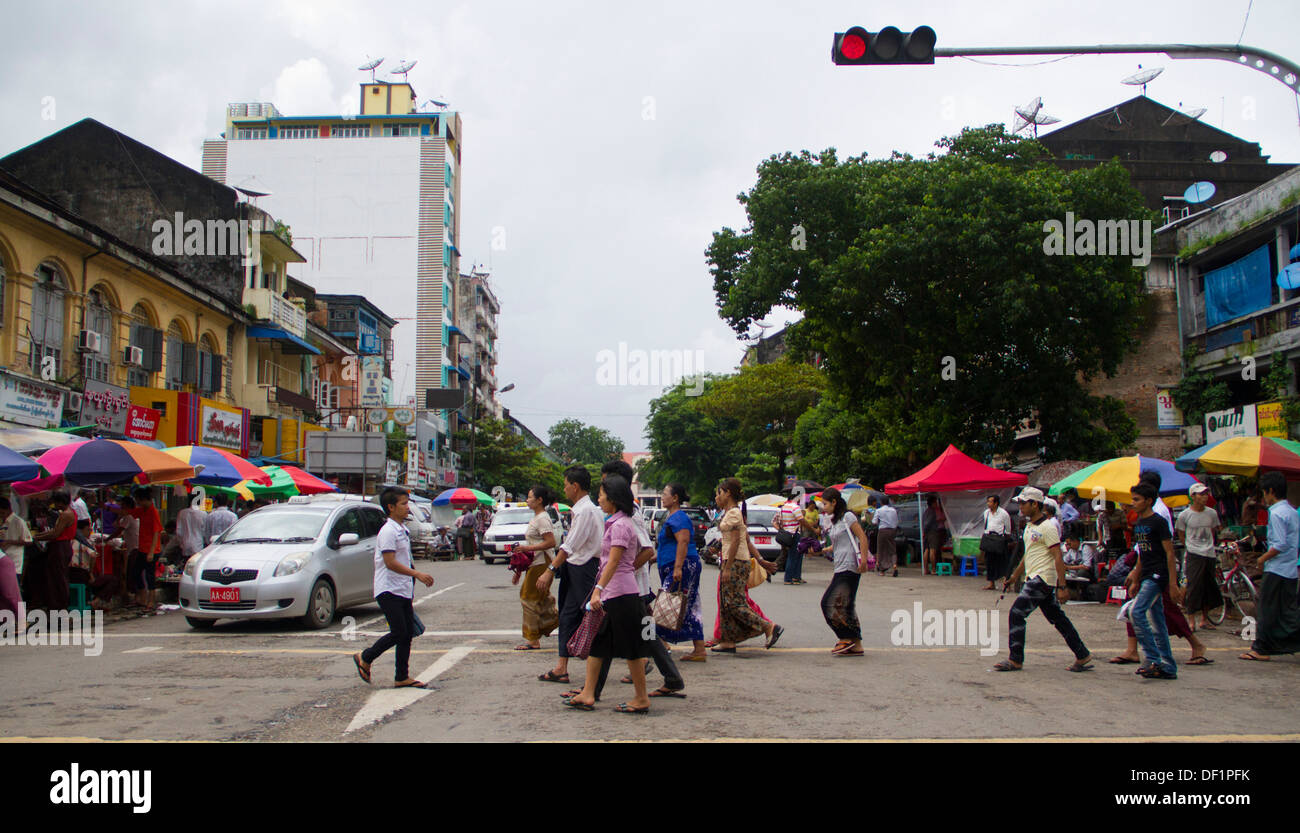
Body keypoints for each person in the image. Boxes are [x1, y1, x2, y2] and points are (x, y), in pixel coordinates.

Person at [588, 459, 683, 700]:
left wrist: (623, 571)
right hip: (627, 588)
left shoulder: (632, 514)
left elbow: (647, 550)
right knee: (637, 635)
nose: (602, 484)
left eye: (605, 479)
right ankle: (592, 690)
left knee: (643, 636)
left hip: (630, 589)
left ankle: (596, 691)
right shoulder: (622, 512)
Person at [562, 475, 653, 713]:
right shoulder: (615, 522)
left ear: (612, 498)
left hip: (622, 595)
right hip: (614, 594)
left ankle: (641, 698)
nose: (599, 499)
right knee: (599, 645)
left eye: (601, 495)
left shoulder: (622, 525)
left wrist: (598, 591)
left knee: (632, 650)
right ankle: (588, 694)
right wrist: (599, 591)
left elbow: (613, 563)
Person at [992, 487, 1092, 672]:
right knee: (1058, 619)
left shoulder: (1048, 527)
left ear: (1035, 504)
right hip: (1035, 576)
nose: (1020, 507)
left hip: (1043, 578)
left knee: (1017, 613)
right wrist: (1015, 576)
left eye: (1023, 503)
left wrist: (1062, 586)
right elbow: (1028, 555)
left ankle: (1015, 659)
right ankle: (1082, 654)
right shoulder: (1030, 527)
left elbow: (1057, 557)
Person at [354, 487, 434, 688]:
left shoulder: (401, 529)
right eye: (404, 504)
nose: (408, 508)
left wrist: (413, 577)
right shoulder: (388, 531)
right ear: (390, 507)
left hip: (402, 588)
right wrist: (417, 574)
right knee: (399, 632)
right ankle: (365, 656)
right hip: (388, 589)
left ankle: (401, 676)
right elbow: (390, 562)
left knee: (407, 634)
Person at [536, 466, 602, 685]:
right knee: (567, 616)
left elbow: (570, 545)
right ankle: (561, 667)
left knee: (593, 618)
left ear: (575, 486)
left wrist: (550, 570)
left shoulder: (586, 511)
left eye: (566, 485)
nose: (564, 489)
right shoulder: (583, 510)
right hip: (576, 569)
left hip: (584, 569)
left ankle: (637, 658)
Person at [713, 478, 783, 653]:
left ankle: (768, 627)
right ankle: (728, 640)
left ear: (728, 493)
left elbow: (737, 540)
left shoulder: (734, 514)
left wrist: (728, 567)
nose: (717, 497)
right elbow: (746, 539)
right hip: (734, 560)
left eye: (719, 493)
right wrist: (760, 559)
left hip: (735, 562)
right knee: (726, 603)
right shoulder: (732, 513)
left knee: (734, 603)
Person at [1240, 471, 1300, 662]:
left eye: (1264, 492)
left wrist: (1262, 558)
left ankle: (1261, 648)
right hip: (1289, 569)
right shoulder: (1291, 510)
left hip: (1277, 569)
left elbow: (1280, 544)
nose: (1264, 497)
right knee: (1286, 610)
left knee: (1266, 607)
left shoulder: (1276, 513)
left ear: (1271, 491)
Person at [1126, 482, 1181, 680]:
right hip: (1147, 573)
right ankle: (1168, 666)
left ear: (1148, 501)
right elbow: (1143, 554)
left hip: (1158, 575)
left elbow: (1169, 552)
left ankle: (1152, 659)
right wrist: (1136, 577)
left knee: (1136, 612)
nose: (1133, 503)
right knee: (1158, 622)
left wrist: (1173, 583)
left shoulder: (1158, 522)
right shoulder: (1139, 523)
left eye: (1137, 499)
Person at [653, 482, 705, 660]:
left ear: (675, 498)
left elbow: (683, 542)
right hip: (676, 565)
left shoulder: (679, 518)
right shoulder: (672, 517)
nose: (662, 496)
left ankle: (652, 646)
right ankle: (699, 649)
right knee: (688, 605)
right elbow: (671, 544)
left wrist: (677, 568)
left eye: (665, 493)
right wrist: (654, 559)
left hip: (682, 567)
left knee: (665, 606)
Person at [817, 488, 872, 656]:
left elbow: (862, 537)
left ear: (834, 502)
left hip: (850, 566)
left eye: (825, 504)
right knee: (847, 606)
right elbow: (839, 544)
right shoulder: (836, 520)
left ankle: (846, 637)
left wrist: (863, 560)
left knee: (828, 603)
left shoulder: (848, 517)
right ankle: (856, 645)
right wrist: (821, 550)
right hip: (840, 565)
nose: (823, 507)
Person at [512, 484, 558, 651]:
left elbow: (551, 542)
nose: (527, 500)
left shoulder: (542, 518)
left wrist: (527, 549)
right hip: (536, 562)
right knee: (541, 598)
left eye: (530, 497)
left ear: (539, 500)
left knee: (528, 597)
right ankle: (558, 622)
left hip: (542, 562)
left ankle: (532, 639)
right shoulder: (537, 517)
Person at [1175, 483, 1223, 631]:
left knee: (1208, 586)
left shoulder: (1212, 513)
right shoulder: (1185, 515)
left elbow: (1214, 529)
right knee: (1193, 586)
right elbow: (1181, 533)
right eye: (1201, 494)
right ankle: (1191, 620)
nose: (1204, 497)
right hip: (1193, 554)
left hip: (1209, 553)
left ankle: (1204, 619)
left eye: (1205, 494)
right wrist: (1190, 546)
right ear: (1193, 496)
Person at [32, 490, 77, 612]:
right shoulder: (67, 513)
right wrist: (39, 535)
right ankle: (56, 605)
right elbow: (54, 531)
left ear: (61, 502)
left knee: (58, 578)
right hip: (61, 547)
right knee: (55, 576)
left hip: (60, 547)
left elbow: (55, 533)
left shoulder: (65, 515)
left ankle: (60, 606)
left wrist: (36, 537)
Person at [128, 487, 162, 610]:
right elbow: (128, 512)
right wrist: (107, 508)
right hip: (142, 549)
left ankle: (151, 600)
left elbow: (156, 533)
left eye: (137, 500)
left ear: (142, 499)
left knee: (150, 576)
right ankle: (143, 596)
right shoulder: (143, 510)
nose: (137, 502)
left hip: (151, 550)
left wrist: (151, 552)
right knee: (136, 573)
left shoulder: (153, 512)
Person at [0, 497, 31, 621]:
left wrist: (10, 542)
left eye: (2, 512)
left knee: (13, 592)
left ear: (8, 509)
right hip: (3, 558)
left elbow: (28, 541)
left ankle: (19, 619)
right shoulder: (2, 522)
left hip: (14, 560)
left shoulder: (18, 522)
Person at [980, 494, 1013, 590]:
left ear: (996, 503)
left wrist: (1005, 537)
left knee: (1002, 562)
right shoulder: (986, 513)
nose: (988, 503)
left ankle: (1006, 583)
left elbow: (1008, 528)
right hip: (989, 538)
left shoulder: (1003, 514)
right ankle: (991, 583)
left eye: (990, 501)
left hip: (999, 539)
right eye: (988, 501)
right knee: (989, 561)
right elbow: (985, 524)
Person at [871, 495, 899, 577]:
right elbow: (896, 522)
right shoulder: (893, 510)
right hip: (892, 531)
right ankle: (894, 565)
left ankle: (882, 570)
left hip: (882, 531)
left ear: (881, 502)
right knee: (892, 549)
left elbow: (874, 522)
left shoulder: (879, 511)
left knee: (881, 549)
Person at [175, 498, 208, 564]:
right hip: (198, 545)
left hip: (185, 544)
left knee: (186, 564)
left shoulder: (182, 513)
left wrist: (181, 543)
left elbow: (178, 531)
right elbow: (205, 532)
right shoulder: (203, 514)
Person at [922, 494, 947, 576]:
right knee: (933, 550)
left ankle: (926, 569)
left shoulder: (925, 511)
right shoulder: (933, 511)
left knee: (926, 550)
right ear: (933, 503)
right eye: (935, 502)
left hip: (926, 532)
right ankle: (933, 569)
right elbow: (940, 519)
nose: (936, 504)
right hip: (933, 531)